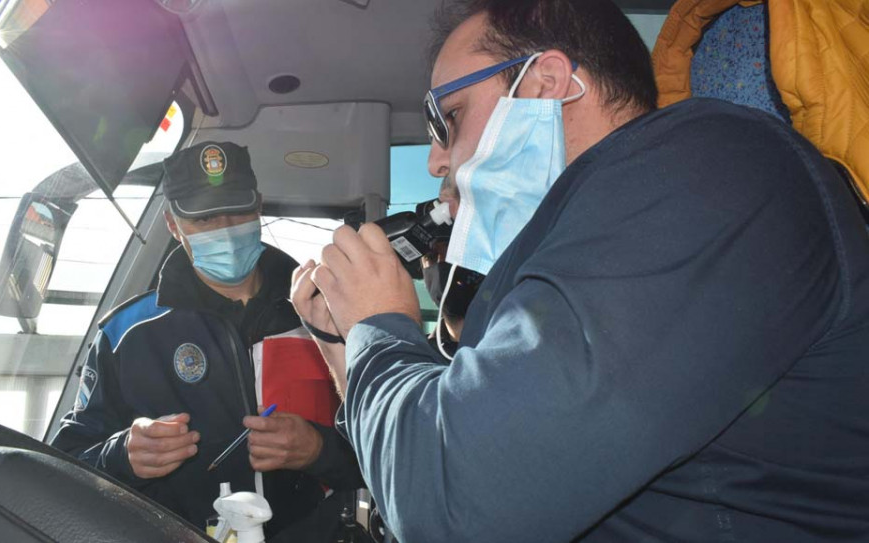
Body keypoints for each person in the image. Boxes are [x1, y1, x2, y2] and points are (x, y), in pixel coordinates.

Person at [290, 0, 869, 541]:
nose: (437, 158)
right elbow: (419, 475)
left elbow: (456, 505)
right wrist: (347, 351)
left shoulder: (712, 169)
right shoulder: (571, 253)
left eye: (450, 118)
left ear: (545, 84)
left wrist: (379, 327)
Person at [51, 141, 363, 541]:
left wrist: (319, 450)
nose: (226, 229)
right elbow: (65, 464)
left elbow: (388, 453)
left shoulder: (324, 315)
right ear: (172, 224)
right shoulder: (124, 334)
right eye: (204, 218)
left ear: (259, 205)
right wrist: (122, 455)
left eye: (237, 210)